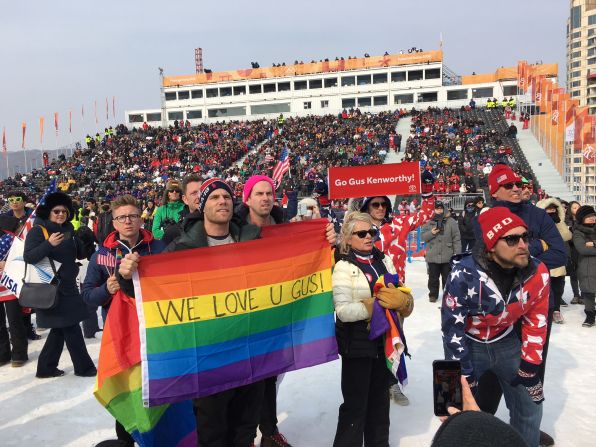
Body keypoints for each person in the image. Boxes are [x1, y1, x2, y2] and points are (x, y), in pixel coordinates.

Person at [119, 178, 264, 447]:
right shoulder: (183, 248)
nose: (222, 201)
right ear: (202, 205)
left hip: (249, 349)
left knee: (245, 429)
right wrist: (127, 277)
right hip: (207, 355)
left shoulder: (251, 239)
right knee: (212, 431)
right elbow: (151, 287)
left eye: (227, 197)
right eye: (214, 197)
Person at [237, 175, 336, 447]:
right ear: (247, 199)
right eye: (259, 193)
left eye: (269, 193)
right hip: (244, 315)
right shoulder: (235, 229)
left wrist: (324, 235)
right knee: (245, 381)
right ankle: (245, 436)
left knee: (269, 377)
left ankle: (269, 431)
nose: (266, 198)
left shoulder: (284, 226)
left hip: (276, 316)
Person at [441, 207, 549, 447]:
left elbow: (537, 319)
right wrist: (462, 373)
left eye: (526, 237)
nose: (523, 244)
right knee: (448, 407)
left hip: (508, 340)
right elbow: (451, 327)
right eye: (512, 239)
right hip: (465, 342)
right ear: (490, 246)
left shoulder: (538, 272)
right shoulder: (462, 273)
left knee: (532, 404)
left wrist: (530, 363)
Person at [476, 164, 566, 447]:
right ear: (494, 191)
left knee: (531, 374)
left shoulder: (538, 214)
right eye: (508, 186)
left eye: (518, 184)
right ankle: (482, 429)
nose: (517, 188)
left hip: (536, 311)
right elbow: (485, 261)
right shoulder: (485, 218)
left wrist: (515, 258)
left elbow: (561, 255)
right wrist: (538, 246)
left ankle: (526, 425)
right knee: (489, 380)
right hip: (497, 313)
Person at [82, 194, 165, 447]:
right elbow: (87, 296)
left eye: (132, 216)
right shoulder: (102, 255)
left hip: (156, 333)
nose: (127, 221)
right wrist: (106, 290)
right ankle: (127, 440)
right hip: (121, 337)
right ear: (114, 222)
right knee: (128, 393)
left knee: (159, 392)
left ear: (141, 218)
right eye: (121, 217)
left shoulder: (159, 248)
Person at [332, 212, 413, 447]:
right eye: (361, 233)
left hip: (384, 341)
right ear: (348, 238)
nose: (369, 237)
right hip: (357, 344)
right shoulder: (344, 266)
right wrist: (375, 307)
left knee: (380, 403)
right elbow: (344, 311)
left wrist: (405, 303)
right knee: (355, 406)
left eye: (372, 232)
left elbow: (399, 292)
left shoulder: (383, 259)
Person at [23, 192, 97, 378]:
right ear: (48, 212)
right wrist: (48, 244)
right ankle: (84, 368)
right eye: (56, 211)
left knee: (60, 329)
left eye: (64, 211)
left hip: (69, 287)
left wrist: (84, 241)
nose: (61, 214)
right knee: (71, 328)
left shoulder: (68, 230)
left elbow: (77, 256)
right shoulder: (39, 231)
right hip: (52, 289)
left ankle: (46, 368)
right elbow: (29, 257)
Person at [536, 198, 572, 324]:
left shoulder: (558, 222)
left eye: (553, 209)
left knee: (558, 288)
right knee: (543, 289)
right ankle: (543, 311)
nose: (551, 212)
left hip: (558, 262)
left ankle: (556, 310)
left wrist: (559, 223)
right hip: (543, 260)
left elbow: (567, 236)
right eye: (548, 210)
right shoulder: (538, 224)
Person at [0, 215, 28, 367]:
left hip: (9, 286)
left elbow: (22, 256)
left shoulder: (10, 238)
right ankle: (2, 354)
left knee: (15, 320)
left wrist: (7, 262)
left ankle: (19, 353)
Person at [421, 201, 461, 303]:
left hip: (447, 255)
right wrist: (432, 233)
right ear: (433, 209)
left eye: (441, 208)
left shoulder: (451, 221)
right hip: (432, 255)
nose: (439, 210)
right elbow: (423, 237)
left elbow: (456, 238)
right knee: (433, 278)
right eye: (437, 208)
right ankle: (433, 295)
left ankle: (447, 294)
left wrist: (457, 253)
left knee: (447, 277)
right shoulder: (428, 222)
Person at [572, 205, 596, 327]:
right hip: (587, 267)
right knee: (589, 292)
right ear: (582, 218)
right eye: (589, 217)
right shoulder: (578, 232)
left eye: (593, 216)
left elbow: (590, 248)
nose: (592, 218)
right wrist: (588, 246)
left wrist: (593, 244)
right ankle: (590, 315)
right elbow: (582, 249)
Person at [566, 201, 582, 304]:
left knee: (584, 274)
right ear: (570, 210)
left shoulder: (585, 220)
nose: (577, 209)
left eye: (578, 207)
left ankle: (585, 295)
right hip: (572, 250)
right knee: (574, 274)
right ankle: (576, 295)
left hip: (583, 250)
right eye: (574, 207)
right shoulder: (567, 221)